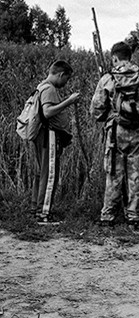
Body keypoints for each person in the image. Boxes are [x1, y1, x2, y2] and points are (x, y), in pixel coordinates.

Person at [90, 41, 139, 230]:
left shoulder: (108, 78)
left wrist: (112, 116)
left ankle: (108, 216)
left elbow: (96, 110)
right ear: (130, 56)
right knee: (136, 173)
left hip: (116, 131)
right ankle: (134, 216)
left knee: (113, 172)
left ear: (114, 57)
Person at [30, 61, 80, 224]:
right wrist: (69, 101)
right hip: (48, 134)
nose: (66, 82)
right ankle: (43, 214)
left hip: (43, 135)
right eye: (67, 78)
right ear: (61, 74)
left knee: (42, 172)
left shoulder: (42, 86)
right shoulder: (50, 88)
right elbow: (47, 112)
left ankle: (36, 208)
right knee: (50, 174)